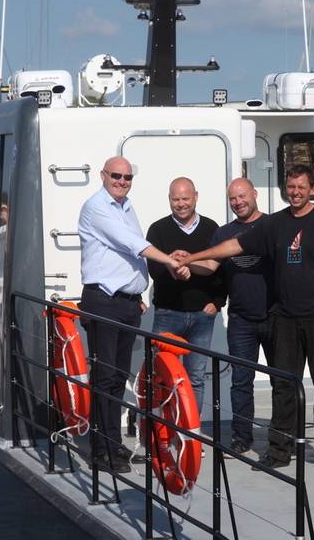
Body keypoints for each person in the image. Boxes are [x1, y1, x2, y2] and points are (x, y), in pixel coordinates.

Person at [179, 164, 314, 474]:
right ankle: (278, 452)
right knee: (283, 388)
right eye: (291, 187)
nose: (295, 192)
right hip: (285, 318)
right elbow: (233, 246)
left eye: (301, 187)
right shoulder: (276, 224)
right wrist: (191, 258)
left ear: (311, 188)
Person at [78, 156, 181, 474]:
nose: (122, 182)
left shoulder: (125, 207)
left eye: (127, 178)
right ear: (103, 175)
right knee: (106, 377)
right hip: (104, 302)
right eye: (116, 176)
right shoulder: (96, 207)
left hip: (125, 304)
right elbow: (132, 244)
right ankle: (103, 449)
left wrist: (136, 293)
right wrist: (169, 261)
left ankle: (112, 444)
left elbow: (130, 253)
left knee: (117, 377)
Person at [179, 178, 275, 456]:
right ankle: (242, 437)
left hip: (275, 316)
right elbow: (209, 266)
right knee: (241, 381)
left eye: (242, 196)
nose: (238, 202)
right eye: (233, 198)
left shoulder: (272, 225)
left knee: (282, 381)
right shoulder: (223, 233)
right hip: (241, 319)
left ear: (255, 193)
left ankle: (285, 438)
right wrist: (183, 262)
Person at [147, 177, 226, 410]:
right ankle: (162, 432)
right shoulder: (158, 229)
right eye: (176, 199)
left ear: (196, 197)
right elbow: (153, 269)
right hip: (168, 314)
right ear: (169, 200)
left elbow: (222, 269)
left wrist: (218, 302)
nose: (181, 204)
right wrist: (173, 268)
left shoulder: (212, 228)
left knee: (196, 378)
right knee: (161, 375)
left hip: (202, 316)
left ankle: (191, 435)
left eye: (185, 198)